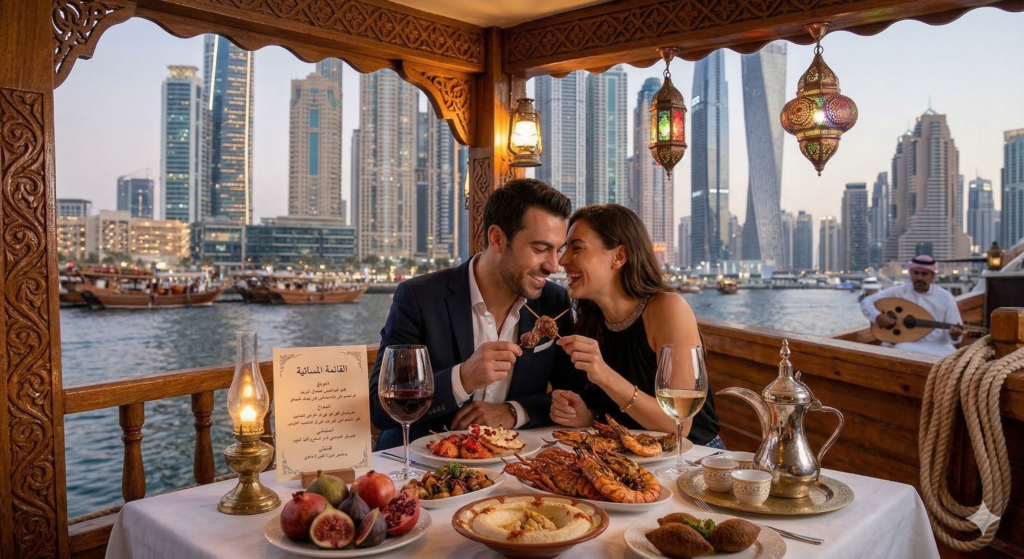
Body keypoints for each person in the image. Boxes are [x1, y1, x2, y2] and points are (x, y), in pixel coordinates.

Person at [369, 179, 575, 450]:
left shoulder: (553, 301)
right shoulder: (418, 296)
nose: (553, 265)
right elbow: (379, 409)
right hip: (417, 465)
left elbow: (571, 396)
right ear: (497, 239)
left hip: (513, 463)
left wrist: (514, 411)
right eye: (540, 249)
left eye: (558, 250)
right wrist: (462, 378)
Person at [549, 204, 723, 448]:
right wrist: (587, 416)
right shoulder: (589, 321)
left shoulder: (667, 309)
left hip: (694, 458)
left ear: (619, 256)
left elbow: (679, 423)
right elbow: (616, 416)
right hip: (633, 456)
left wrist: (604, 375)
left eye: (577, 248)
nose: (562, 260)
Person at [859, 254, 964, 357]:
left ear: (932, 275)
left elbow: (953, 333)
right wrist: (877, 317)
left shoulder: (945, 298)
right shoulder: (899, 291)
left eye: (924, 274)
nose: (919, 277)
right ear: (910, 273)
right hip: (905, 342)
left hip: (937, 345)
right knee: (900, 350)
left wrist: (954, 335)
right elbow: (866, 302)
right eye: (916, 273)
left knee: (952, 358)